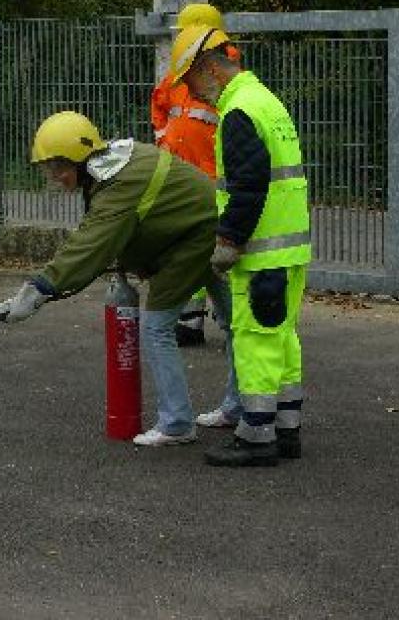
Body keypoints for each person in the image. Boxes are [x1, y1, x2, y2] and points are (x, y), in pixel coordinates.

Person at [0, 111, 240, 447]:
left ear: (80, 159)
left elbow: (91, 244)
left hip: (196, 237)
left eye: (58, 168)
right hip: (205, 227)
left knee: (158, 326)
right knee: (235, 323)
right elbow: (134, 223)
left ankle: (178, 423)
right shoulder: (114, 163)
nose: (55, 177)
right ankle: (239, 406)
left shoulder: (117, 184)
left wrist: (40, 288)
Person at [170, 25, 311, 466]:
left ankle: (256, 437)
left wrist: (228, 240)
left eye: (190, 81)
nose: (192, 92)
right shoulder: (266, 101)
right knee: (282, 340)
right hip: (289, 249)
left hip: (262, 253)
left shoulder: (239, 112)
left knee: (253, 342)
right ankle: (286, 431)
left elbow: (248, 186)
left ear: (209, 67)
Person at [150, 3, 240, 347]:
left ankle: (227, 316)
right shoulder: (177, 77)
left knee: (216, 245)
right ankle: (191, 320)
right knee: (187, 246)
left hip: (213, 177)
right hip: (182, 175)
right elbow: (159, 104)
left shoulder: (224, 78)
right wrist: (163, 141)